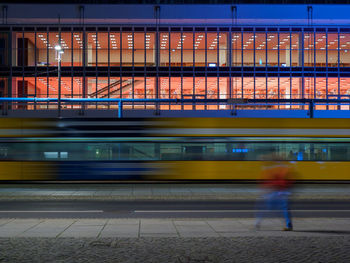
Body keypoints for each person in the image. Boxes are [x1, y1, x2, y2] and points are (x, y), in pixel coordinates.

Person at [255, 157, 294, 231]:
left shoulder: (277, 169)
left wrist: (266, 189)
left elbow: (276, 180)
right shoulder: (284, 168)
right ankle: (288, 225)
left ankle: (257, 223)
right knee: (283, 208)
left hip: (278, 191)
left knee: (265, 207)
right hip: (280, 191)